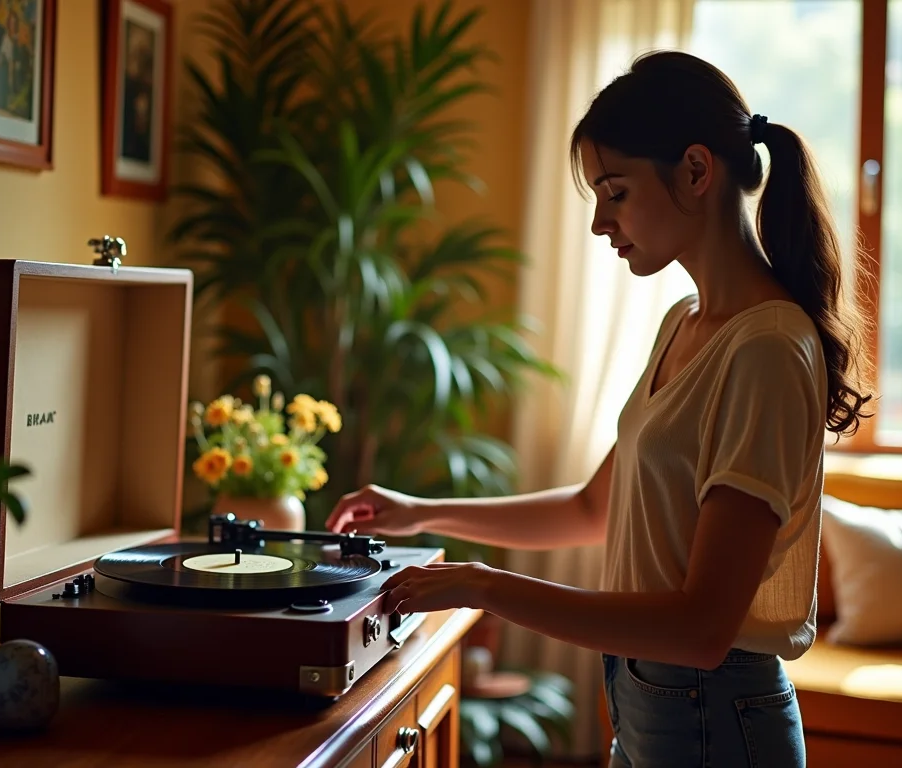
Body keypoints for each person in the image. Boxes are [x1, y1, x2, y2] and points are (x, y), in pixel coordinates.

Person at [325, 50, 873, 768]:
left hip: (713, 719)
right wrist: (422, 511)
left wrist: (482, 586)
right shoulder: (684, 322)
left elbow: (703, 627)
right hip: (652, 705)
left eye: (615, 191)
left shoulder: (767, 349)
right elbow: (593, 508)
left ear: (696, 171)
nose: (599, 222)